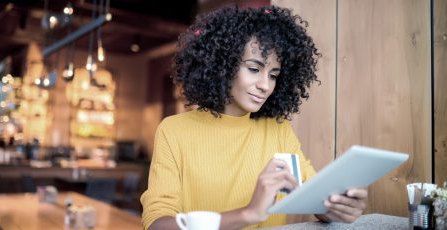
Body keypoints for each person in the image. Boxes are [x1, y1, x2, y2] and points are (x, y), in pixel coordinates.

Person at [140, 5, 367, 230]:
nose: (265, 86)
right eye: (254, 68)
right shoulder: (174, 130)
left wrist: (336, 206)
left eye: (274, 75)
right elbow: (157, 223)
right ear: (223, 64)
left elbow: (313, 196)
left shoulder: (277, 129)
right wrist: (248, 214)